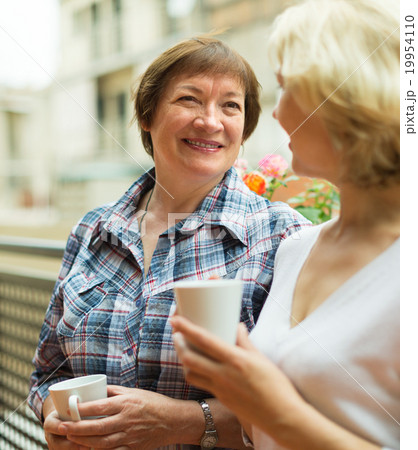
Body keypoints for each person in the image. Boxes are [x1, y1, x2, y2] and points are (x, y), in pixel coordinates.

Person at [28, 35, 309, 449]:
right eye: (189, 100)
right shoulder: (92, 230)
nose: (210, 121)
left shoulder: (284, 236)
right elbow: (47, 376)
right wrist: (59, 420)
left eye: (230, 105)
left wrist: (188, 422)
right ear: (148, 115)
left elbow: (306, 409)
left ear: (244, 127)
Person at [171, 0, 400, 449]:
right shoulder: (297, 249)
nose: (274, 113)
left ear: (341, 100)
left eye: (285, 87)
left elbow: (276, 410)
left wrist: (266, 405)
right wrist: (236, 374)